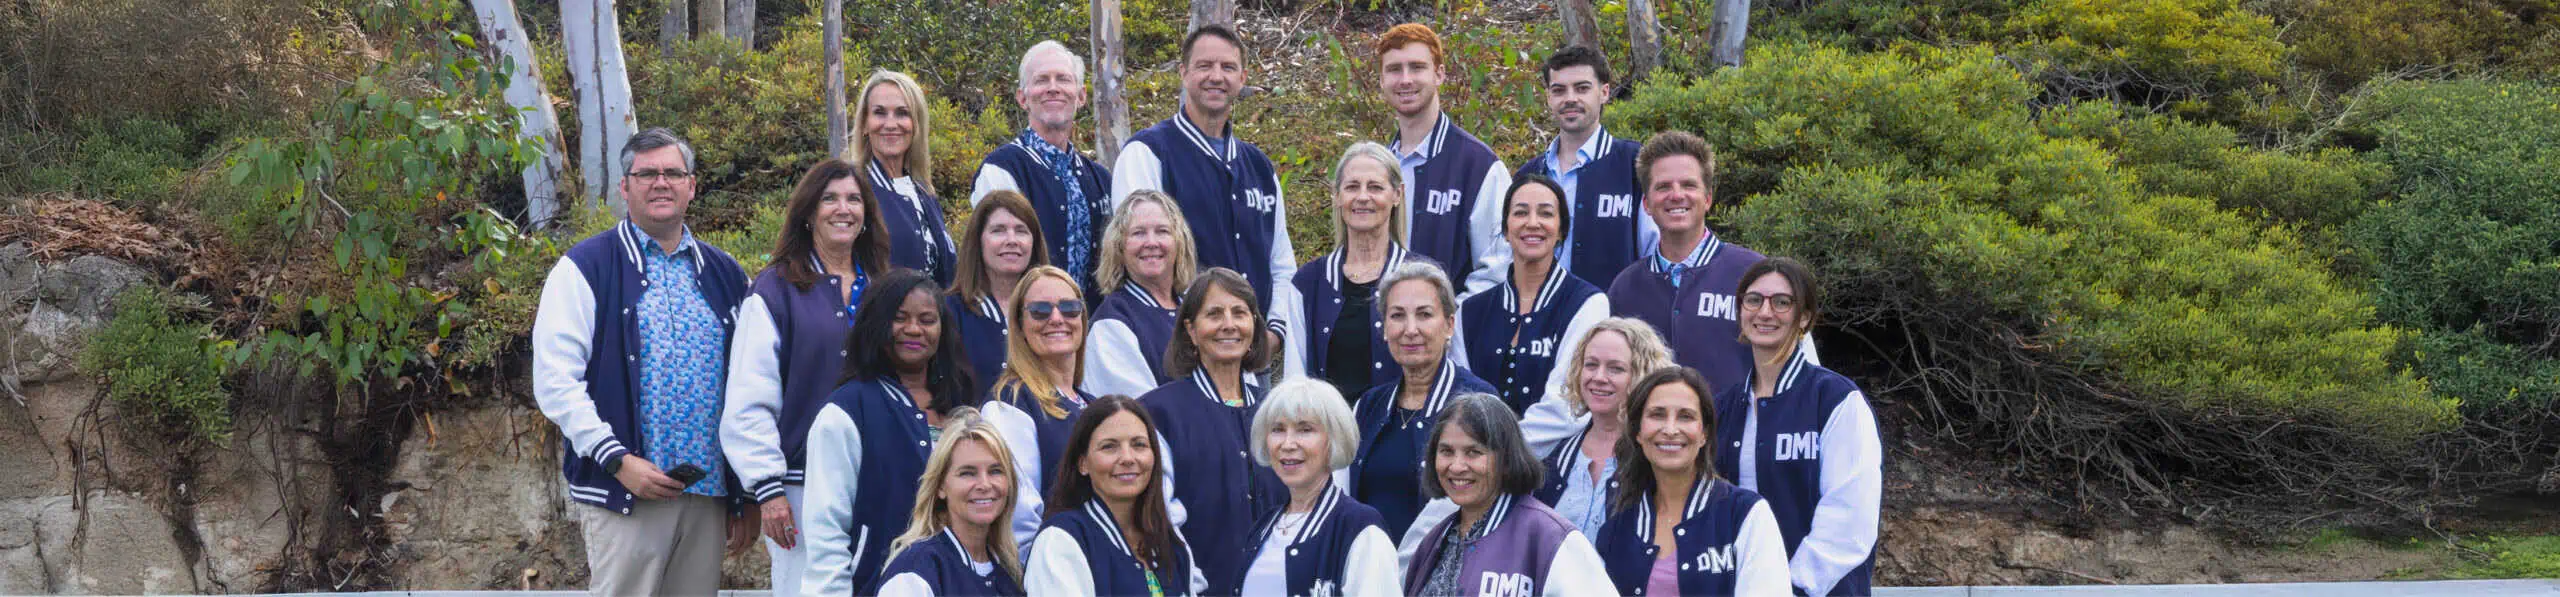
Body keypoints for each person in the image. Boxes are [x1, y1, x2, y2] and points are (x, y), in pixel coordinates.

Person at [530, 128, 754, 596]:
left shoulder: (726, 274)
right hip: (625, 493)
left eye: (673, 172)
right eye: (646, 173)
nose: (661, 182)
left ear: (692, 186)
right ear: (624, 188)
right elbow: (555, 381)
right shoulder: (585, 268)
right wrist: (617, 460)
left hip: (707, 495)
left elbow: (752, 383)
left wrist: (745, 492)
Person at [722, 158, 893, 597]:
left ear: (867, 214)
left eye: (854, 199)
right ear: (808, 212)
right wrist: (768, 489)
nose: (843, 209)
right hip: (800, 485)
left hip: (879, 475)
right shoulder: (776, 290)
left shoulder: (885, 290)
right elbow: (749, 397)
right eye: (830, 198)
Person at [804, 270, 1025, 595]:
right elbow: (826, 528)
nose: (913, 329)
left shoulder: (961, 408)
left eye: (926, 319)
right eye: (900, 318)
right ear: (877, 324)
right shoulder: (847, 411)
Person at [1711, 257, 1880, 596]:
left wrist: (1790, 587)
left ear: (1804, 317)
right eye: (1754, 300)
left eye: (1782, 302)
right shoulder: (1724, 407)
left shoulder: (1835, 400)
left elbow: (1848, 521)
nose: (1765, 312)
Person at [1111, 25, 1296, 335]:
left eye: (1227, 67)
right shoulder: (1148, 153)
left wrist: (1275, 332)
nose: (1216, 76)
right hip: (1180, 346)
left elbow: (1281, 263)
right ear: (1184, 73)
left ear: (1242, 78)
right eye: (1204, 65)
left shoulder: (1260, 167)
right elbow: (1140, 260)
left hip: (1253, 351)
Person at [1604, 131, 1814, 391]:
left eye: (1689, 185)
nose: (1676, 195)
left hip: (1742, 430)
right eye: (1663, 186)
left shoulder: (1757, 275)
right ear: (1646, 203)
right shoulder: (1625, 288)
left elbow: (1804, 374)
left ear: (1708, 198)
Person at [1141, 268, 1289, 593]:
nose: (1228, 324)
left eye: (1240, 313)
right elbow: (1158, 520)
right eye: (1214, 314)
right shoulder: (1158, 413)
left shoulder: (1276, 414)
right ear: (1191, 331)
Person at [1591, 368, 1790, 596]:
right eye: (1657, 414)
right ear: (1637, 431)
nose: (1670, 429)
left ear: (1704, 433)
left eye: (1685, 416)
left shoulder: (1745, 514)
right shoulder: (1616, 530)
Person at [1400, 394, 1609, 597]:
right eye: (1446, 451)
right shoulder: (1434, 539)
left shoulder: (1551, 538)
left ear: (1507, 460)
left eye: (1473, 452)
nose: (1456, 466)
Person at [1343, 261, 1495, 540]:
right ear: (1385, 328)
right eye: (1397, 316)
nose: (1410, 329)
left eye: (1424, 315)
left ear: (1449, 325)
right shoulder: (1368, 406)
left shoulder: (1480, 403)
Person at [1227, 379, 1403, 596]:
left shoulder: (1360, 529)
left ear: (1334, 440)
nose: (1288, 444)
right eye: (1278, 429)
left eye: (1305, 429)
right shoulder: (1264, 527)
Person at [1376, 23, 1511, 299]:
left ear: (1439, 74)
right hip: (1382, 331)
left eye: (1416, 67)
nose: (1405, 79)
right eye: (1394, 69)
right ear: (1381, 80)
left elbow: (1498, 269)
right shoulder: (1377, 167)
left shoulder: (1478, 166)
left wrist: (1446, 323)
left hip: (1453, 335)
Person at [1286, 142, 1428, 402]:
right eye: (1352, 187)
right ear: (1337, 195)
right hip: (1329, 437)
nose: (1363, 197)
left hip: (1402, 437)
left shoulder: (1423, 279)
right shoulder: (1308, 284)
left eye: (1375, 187)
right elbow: (1294, 384)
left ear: (1397, 194)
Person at [1025, 396, 1209, 596]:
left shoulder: (1168, 542)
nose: (1128, 458)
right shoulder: (1060, 542)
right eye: (1109, 447)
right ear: (1083, 463)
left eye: (1139, 444)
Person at [1457, 176, 1609, 412]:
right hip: (1477, 447)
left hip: (1555, 448)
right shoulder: (1468, 312)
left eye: (1546, 214)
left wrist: (1508, 447)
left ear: (1561, 230)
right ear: (1506, 230)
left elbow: (1567, 402)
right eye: (1520, 213)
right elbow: (1460, 398)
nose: (1532, 223)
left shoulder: (1588, 305)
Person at [973, 40, 1113, 294]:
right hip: (1025, 321)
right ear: (1022, 98)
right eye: (1041, 80)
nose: (1053, 88)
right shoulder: (1001, 170)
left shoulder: (1101, 179)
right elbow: (1000, 267)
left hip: (1091, 325)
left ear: (1081, 96)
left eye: (1063, 79)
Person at [1515, 46, 1651, 286]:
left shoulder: (1635, 164)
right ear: (1548, 97)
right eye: (1559, 90)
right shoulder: (1529, 175)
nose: (1570, 98)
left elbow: (1656, 253)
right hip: (1543, 316)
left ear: (1604, 92)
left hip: (1614, 318)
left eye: (1582, 88)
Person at [984, 265, 1093, 544]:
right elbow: (1017, 520)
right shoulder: (1010, 402)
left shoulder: (1091, 403)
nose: (1056, 319)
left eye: (1069, 308)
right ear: (1019, 325)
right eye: (1040, 311)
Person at [873, 409, 1029, 596]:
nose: (985, 484)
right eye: (967, 473)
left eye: (995, 471)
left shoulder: (1008, 572)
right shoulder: (915, 571)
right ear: (940, 486)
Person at [1082, 190, 1200, 398]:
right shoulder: (1110, 326)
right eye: (1138, 233)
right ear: (1119, 246)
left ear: (1179, 241)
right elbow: (1143, 413)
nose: (1151, 242)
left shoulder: (1195, 310)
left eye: (1162, 231)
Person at [852, 70, 960, 285]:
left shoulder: (924, 192)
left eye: (902, 113)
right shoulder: (855, 191)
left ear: (916, 124)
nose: (891, 124)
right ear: (865, 123)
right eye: (879, 113)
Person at [952, 191, 1054, 398]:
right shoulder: (950, 312)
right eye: (998, 231)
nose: (1011, 240)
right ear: (978, 241)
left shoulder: (1055, 312)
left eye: (1021, 231)